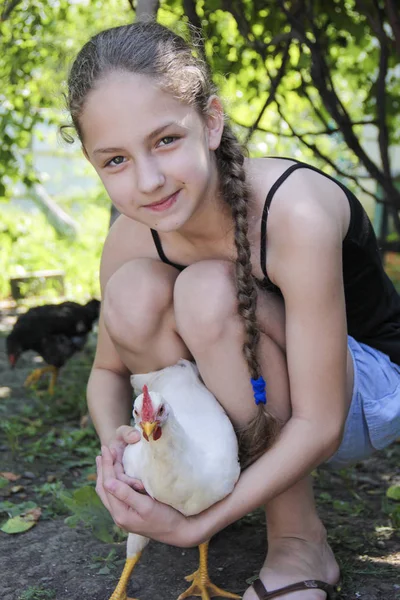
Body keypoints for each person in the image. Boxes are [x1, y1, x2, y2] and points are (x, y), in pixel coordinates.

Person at [63, 21, 400, 600]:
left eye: (165, 140)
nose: (147, 180)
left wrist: (196, 526)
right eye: (114, 160)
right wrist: (116, 448)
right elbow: (107, 373)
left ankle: (298, 540)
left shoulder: (292, 211)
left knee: (207, 292)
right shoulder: (129, 239)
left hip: (363, 396)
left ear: (211, 121)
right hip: (275, 396)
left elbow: (320, 424)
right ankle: (221, 480)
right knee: (134, 292)